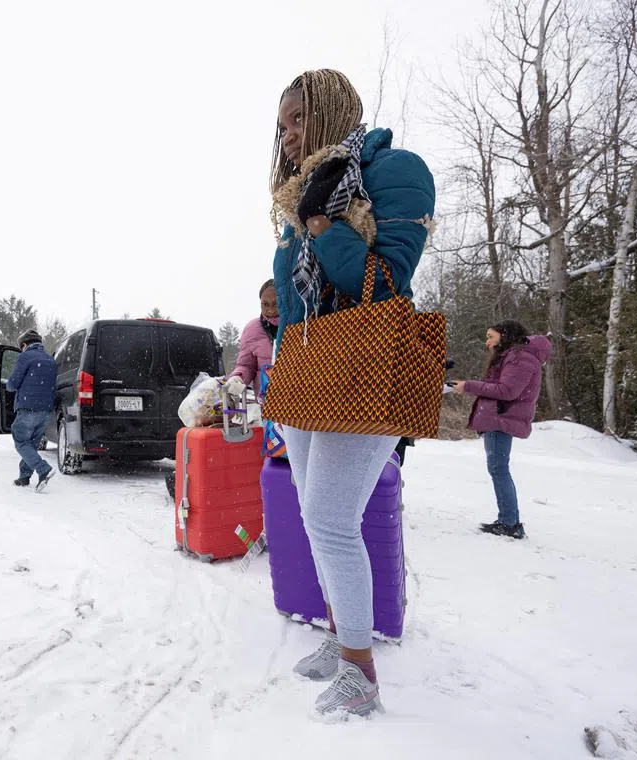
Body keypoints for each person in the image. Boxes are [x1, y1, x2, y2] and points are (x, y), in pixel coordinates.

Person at [268, 69, 435, 716]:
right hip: (308, 371)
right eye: (280, 126)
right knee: (316, 518)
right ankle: (342, 639)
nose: (285, 137)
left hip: (366, 365)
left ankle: (361, 677)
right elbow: (291, 299)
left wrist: (319, 220)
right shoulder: (300, 192)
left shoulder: (395, 171)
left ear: (332, 111)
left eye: (296, 120)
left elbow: (386, 283)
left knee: (335, 521)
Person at [452, 320, 551, 540]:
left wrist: (469, 386)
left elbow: (507, 391)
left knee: (499, 469)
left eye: (491, 336)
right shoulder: (514, 356)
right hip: (500, 417)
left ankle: (510, 523)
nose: (488, 343)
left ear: (504, 336)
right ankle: (508, 520)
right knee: (498, 468)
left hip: (501, 418)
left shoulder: (520, 358)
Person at [6, 330, 58, 491]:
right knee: (31, 444)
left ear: (24, 344)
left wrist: (7, 385)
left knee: (21, 441)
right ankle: (24, 477)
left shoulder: (25, 357)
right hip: (46, 409)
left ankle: (43, 469)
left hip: (28, 407)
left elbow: (13, 384)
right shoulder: (50, 359)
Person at [230, 279, 280, 397]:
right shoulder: (253, 329)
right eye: (265, 304)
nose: (271, 310)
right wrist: (238, 377)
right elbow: (246, 365)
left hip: (298, 401)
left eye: (276, 303)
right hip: (268, 401)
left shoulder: (298, 324)